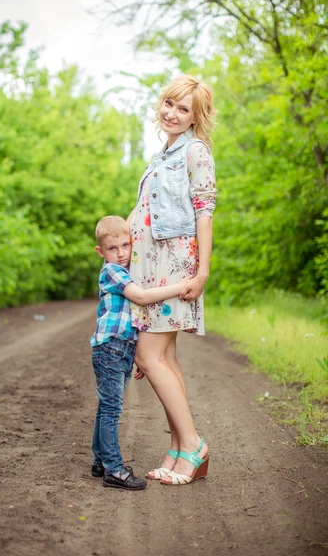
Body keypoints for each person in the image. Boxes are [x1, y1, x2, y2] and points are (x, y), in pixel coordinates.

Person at [128, 74, 217, 486]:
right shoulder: (160, 155)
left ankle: (194, 444)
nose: (173, 113)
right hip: (150, 266)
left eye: (184, 109)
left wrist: (202, 272)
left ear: (196, 118)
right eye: (169, 103)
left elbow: (204, 209)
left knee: (149, 357)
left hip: (175, 266)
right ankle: (181, 448)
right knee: (165, 358)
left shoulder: (194, 152)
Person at [90, 215, 190, 490]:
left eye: (126, 245)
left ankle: (99, 461)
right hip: (111, 347)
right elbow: (143, 298)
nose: (121, 253)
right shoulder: (113, 272)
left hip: (118, 348)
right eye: (113, 248)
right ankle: (113, 469)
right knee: (111, 409)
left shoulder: (121, 268)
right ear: (101, 252)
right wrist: (181, 287)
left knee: (105, 406)